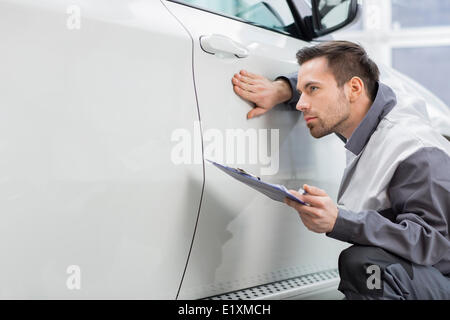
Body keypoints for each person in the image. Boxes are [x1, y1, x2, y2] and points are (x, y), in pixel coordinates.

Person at [231, 41, 450, 300]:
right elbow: (353, 70)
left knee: (366, 265)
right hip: (427, 275)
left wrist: (340, 220)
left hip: (442, 276)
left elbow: (431, 241)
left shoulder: (414, 151)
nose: (301, 103)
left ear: (355, 88)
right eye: (302, 92)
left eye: (312, 90)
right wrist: (282, 89)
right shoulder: (370, 111)